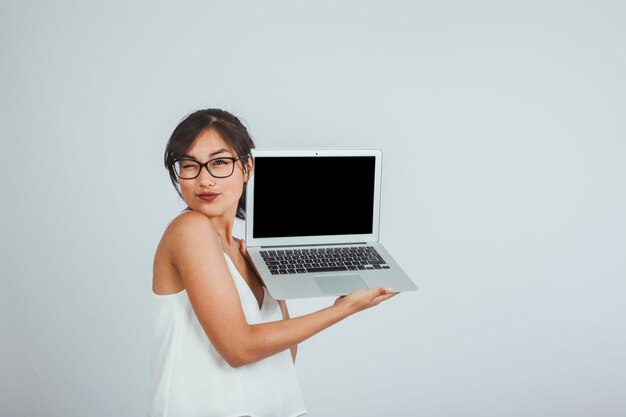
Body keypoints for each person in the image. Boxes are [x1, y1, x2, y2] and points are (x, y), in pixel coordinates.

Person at [149, 108, 397, 417]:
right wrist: (343, 308)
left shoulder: (243, 250)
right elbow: (240, 349)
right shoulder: (189, 230)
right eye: (189, 165)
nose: (205, 179)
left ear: (247, 167)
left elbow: (285, 355)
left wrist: (274, 276)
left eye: (220, 163)